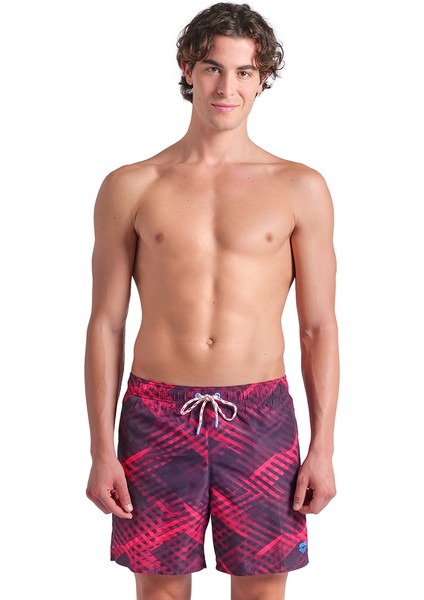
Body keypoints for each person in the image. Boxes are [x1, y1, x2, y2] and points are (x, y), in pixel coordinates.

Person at [85, 3, 339, 599]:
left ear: (262, 78)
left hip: (261, 416)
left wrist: (323, 448)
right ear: (188, 70)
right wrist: (101, 449)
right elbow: (105, 324)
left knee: (261, 590)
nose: (228, 87)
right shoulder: (132, 185)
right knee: (160, 592)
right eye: (212, 68)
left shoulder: (299, 187)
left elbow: (319, 327)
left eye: (244, 71)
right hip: (155, 413)